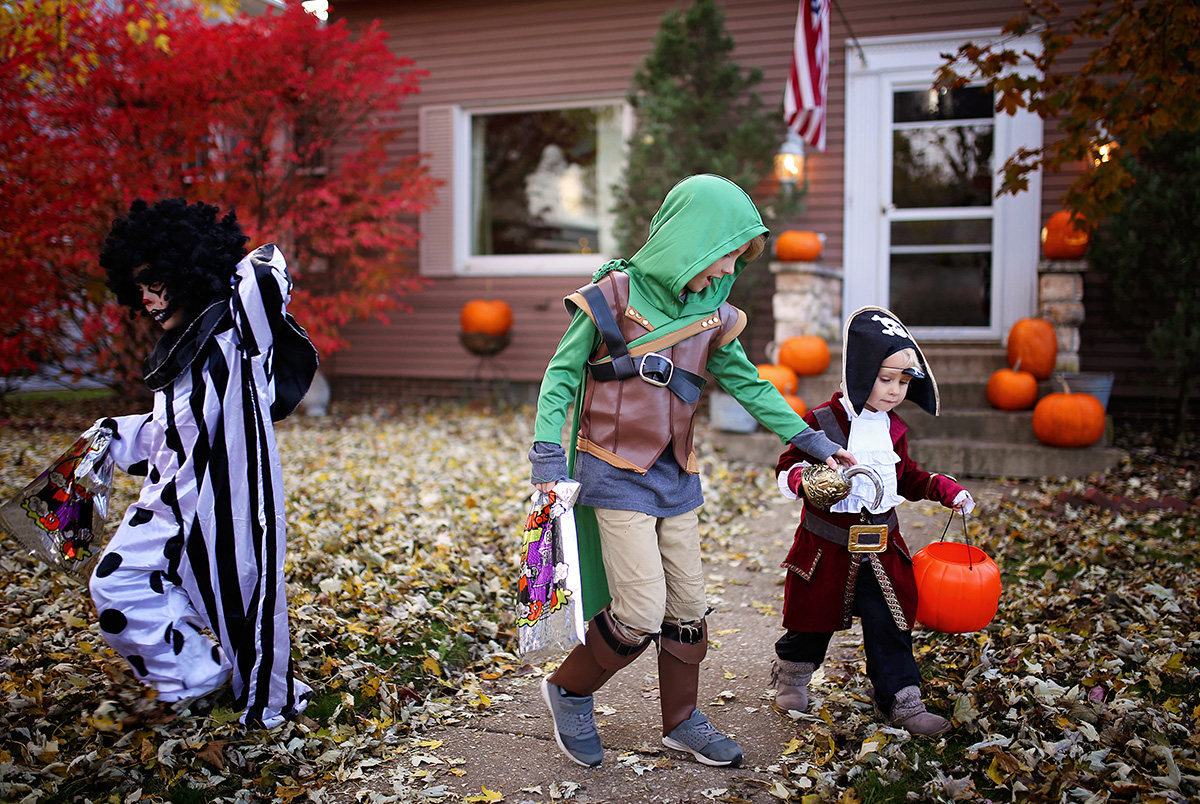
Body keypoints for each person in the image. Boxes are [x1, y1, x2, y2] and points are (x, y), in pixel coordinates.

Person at [528, 174, 856, 768]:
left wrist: (814, 442)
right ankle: (570, 690)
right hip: (613, 470)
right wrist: (548, 460)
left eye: (734, 260)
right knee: (640, 611)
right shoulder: (610, 298)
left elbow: (751, 385)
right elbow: (561, 375)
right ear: (690, 243)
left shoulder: (715, 315)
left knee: (687, 606)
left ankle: (680, 720)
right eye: (722, 256)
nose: (725, 271)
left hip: (676, 475)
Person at [88, 197, 318, 728]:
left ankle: (269, 704)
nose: (145, 298)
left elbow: (267, 271)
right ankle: (195, 674)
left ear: (186, 270)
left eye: (155, 281)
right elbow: (172, 433)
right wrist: (107, 438)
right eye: (137, 287)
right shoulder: (178, 355)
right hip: (167, 505)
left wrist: (214, 270)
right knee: (115, 584)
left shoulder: (240, 339)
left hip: (229, 506)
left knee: (244, 611)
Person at [770, 306, 975, 738]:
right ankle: (791, 675)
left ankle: (900, 700)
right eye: (886, 378)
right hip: (827, 545)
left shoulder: (894, 429)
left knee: (891, 622)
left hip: (882, 544)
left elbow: (907, 476)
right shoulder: (822, 421)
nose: (895, 390)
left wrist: (943, 488)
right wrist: (807, 480)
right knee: (813, 618)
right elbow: (786, 466)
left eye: (904, 381)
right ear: (860, 370)